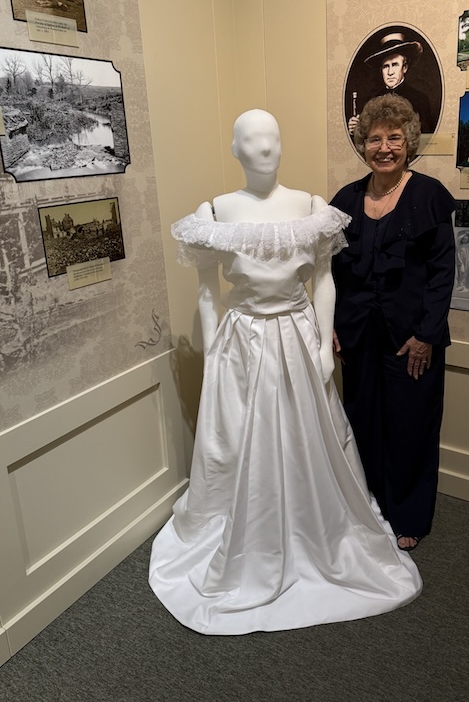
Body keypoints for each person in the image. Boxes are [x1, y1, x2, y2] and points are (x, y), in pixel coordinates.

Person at [149, 109, 421, 635]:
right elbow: (208, 290)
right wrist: (211, 349)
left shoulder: (312, 208)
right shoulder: (214, 211)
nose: (265, 147)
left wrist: (322, 344)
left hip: (296, 337)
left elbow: (323, 280)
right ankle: (246, 534)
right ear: (235, 148)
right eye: (251, 139)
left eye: (272, 136)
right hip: (242, 342)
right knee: (235, 441)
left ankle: (311, 529)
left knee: (307, 436)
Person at [331, 94, 455, 552]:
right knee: (362, 422)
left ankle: (408, 515)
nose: (384, 147)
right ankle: (368, 506)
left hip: (411, 340)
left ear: (409, 142)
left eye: (394, 137)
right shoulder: (344, 200)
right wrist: (331, 323)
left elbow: (444, 274)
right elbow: (330, 272)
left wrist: (426, 335)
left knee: (410, 424)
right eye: (375, 138)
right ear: (363, 144)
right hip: (358, 336)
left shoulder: (429, 196)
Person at [347, 32, 434, 136]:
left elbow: (426, 139)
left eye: (395, 65)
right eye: (385, 66)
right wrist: (357, 129)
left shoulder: (420, 99)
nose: (390, 72)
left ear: (404, 67)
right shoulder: (371, 100)